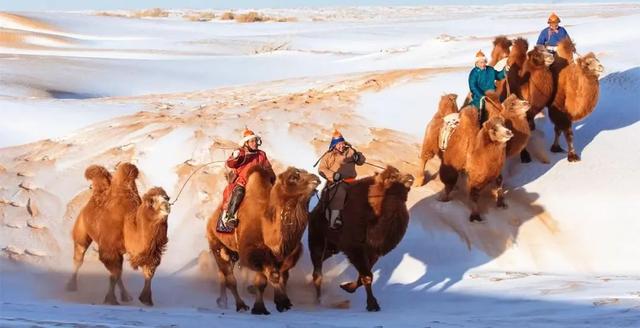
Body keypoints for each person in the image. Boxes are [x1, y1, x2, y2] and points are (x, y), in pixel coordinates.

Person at [221, 128, 274, 228]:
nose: (255, 143)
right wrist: (234, 157)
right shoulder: (241, 153)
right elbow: (230, 163)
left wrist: (273, 180)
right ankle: (229, 216)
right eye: (252, 141)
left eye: (255, 141)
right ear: (246, 143)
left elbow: (268, 168)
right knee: (239, 192)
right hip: (243, 183)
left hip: (259, 183)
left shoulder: (261, 154)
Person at [318, 130, 365, 229]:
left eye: (342, 143)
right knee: (339, 192)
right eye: (339, 144)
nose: (341, 146)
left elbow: (361, 160)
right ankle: (335, 219)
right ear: (334, 145)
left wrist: (358, 157)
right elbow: (321, 169)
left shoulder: (351, 151)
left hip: (352, 181)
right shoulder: (328, 156)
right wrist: (333, 175)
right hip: (337, 182)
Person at [468, 50, 508, 124]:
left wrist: (505, 70)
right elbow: (473, 86)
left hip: (492, 95)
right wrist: (481, 96)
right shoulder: (473, 73)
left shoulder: (490, 70)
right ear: (476, 63)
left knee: (502, 107)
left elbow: (498, 76)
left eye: (484, 62)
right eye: (481, 62)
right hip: (480, 97)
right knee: (477, 112)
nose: (483, 64)